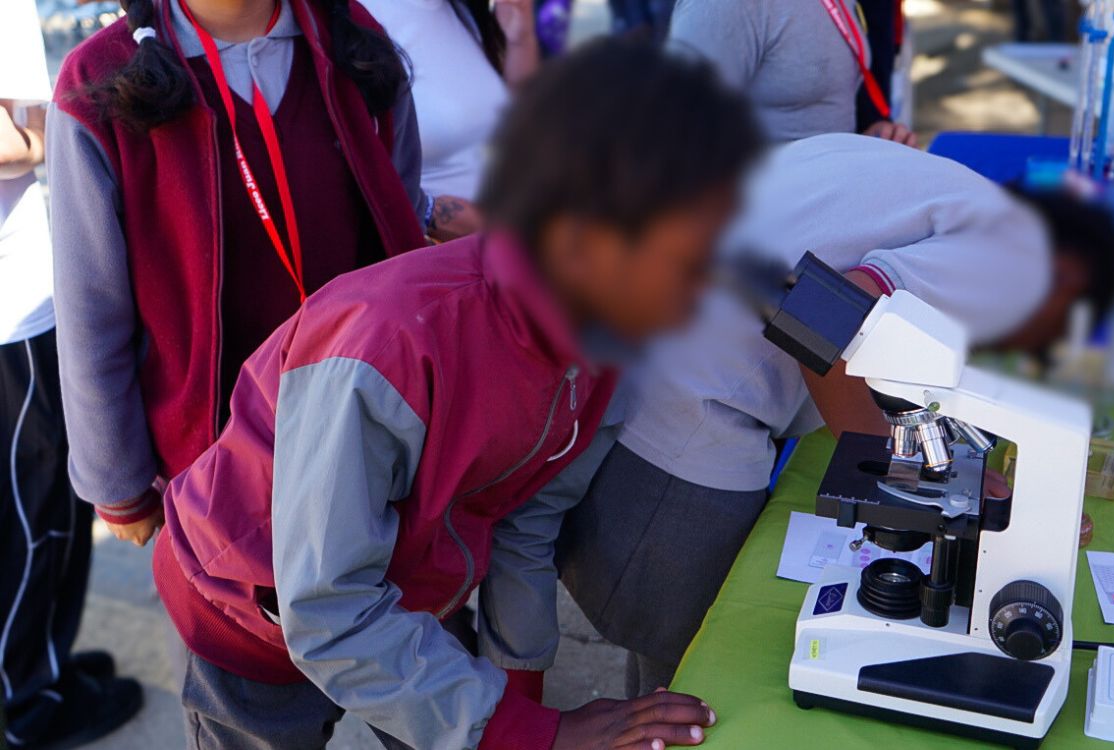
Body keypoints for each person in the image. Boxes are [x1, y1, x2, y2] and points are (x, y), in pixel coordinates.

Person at [154, 38, 762, 750]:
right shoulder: (384, 345)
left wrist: (522, 709)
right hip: (247, 614)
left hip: (402, 599)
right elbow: (325, 611)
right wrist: (526, 731)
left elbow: (525, 521)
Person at [558, 134, 1114, 696]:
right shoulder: (1013, 255)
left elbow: (880, 327)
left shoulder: (945, 188)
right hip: (691, 414)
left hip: (635, 355)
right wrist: (903, 476)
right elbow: (828, 318)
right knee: (693, 674)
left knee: (661, 680)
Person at [45, 0, 449, 548]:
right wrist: (117, 483)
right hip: (210, 473)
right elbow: (91, 310)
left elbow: (402, 226)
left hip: (370, 441)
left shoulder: (352, 38)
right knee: (229, 603)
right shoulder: (100, 79)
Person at [1, 2, 146, 747]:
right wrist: (65, 126)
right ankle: (24, 702)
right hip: (11, 301)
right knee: (33, 514)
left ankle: (43, 664)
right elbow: (11, 137)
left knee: (43, 505)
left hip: (19, 294)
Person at [668, 0, 916, 145]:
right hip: (774, 215)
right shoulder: (723, 6)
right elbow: (675, 134)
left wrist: (869, 135)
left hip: (837, 201)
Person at [362, 0, 538, 203]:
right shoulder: (362, 20)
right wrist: (432, 213)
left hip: (518, 209)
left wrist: (520, 40)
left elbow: (516, 114)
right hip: (474, 221)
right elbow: (363, 178)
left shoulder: (460, 9)